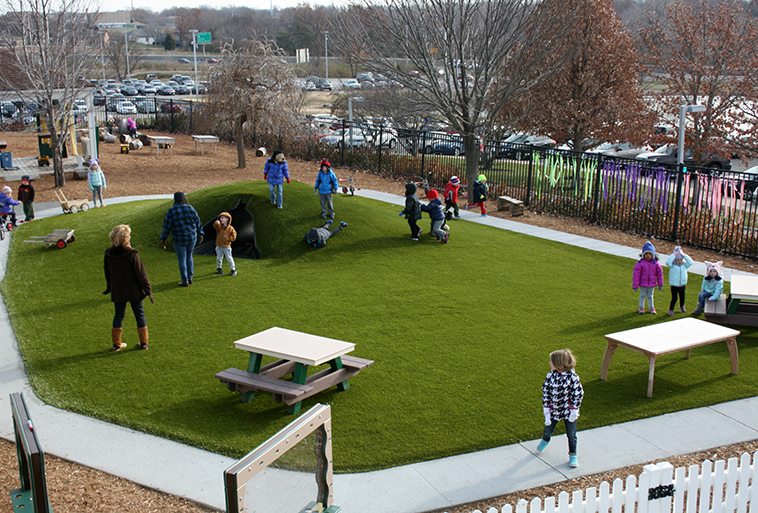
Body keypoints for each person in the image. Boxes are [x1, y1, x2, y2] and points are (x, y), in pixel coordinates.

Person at [103, 225, 152, 351]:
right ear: (125, 238)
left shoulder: (108, 254)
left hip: (118, 290)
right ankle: (144, 343)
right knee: (139, 314)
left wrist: (109, 287)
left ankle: (116, 344)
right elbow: (141, 274)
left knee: (118, 315)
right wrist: (148, 290)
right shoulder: (131, 254)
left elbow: (107, 273)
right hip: (134, 290)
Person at [536, 349, 584, 469]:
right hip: (554, 411)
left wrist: (574, 409)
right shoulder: (550, 376)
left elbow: (578, 393)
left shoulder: (572, 377)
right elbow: (545, 391)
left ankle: (573, 455)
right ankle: (545, 439)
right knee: (548, 430)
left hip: (569, 412)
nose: (549, 363)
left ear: (558, 363)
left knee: (571, 434)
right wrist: (547, 409)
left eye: (551, 361)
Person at [160, 192, 204, 287]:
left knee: (182, 259)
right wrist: (201, 234)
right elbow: (198, 222)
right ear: (184, 198)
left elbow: (167, 227)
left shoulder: (172, 211)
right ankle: (190, 277)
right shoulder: (190, 208)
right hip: (192, 237)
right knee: (189, 256)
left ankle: (184, 280)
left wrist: (163, 239)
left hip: (179, 238)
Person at [632, 240, 663, 314]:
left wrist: (660, 284)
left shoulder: (656, 264)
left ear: (653, 255)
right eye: (646, 254)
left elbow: (660, 274)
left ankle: (651, 308)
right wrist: (635, 286)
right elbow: (636, 275)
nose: (648, 255)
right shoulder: (640, 264)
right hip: (643, 284)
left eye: (650, 254)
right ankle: (641, 307)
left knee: (650, 296)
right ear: (643, 254)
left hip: (652, 284)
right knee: (642, 295)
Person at [665, 245, 693, 316]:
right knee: (674, 298)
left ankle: (682, 307)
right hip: (674, 286)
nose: (679, 261)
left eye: (680, 259)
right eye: (677, 260)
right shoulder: (672, 266)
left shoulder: (684, 265)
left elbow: (691, 262)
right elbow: (668, 262)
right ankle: (671, 310)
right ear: (675, 260)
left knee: (682, 297)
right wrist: (674, 254)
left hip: (682, 285)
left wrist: (684, 255)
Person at [213, 211, 237, 276]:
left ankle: (233, 270)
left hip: (226, 247)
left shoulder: (231, 228)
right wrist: (216, 223)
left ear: (227, 219)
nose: (221, 219)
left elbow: (234, 236)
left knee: (229, 258)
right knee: (218, 258)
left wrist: (228, 238)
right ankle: (219, 268)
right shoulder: (219, 227)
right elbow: (215, 226)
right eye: (220, 218)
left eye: (223, 218)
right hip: (219, 246)